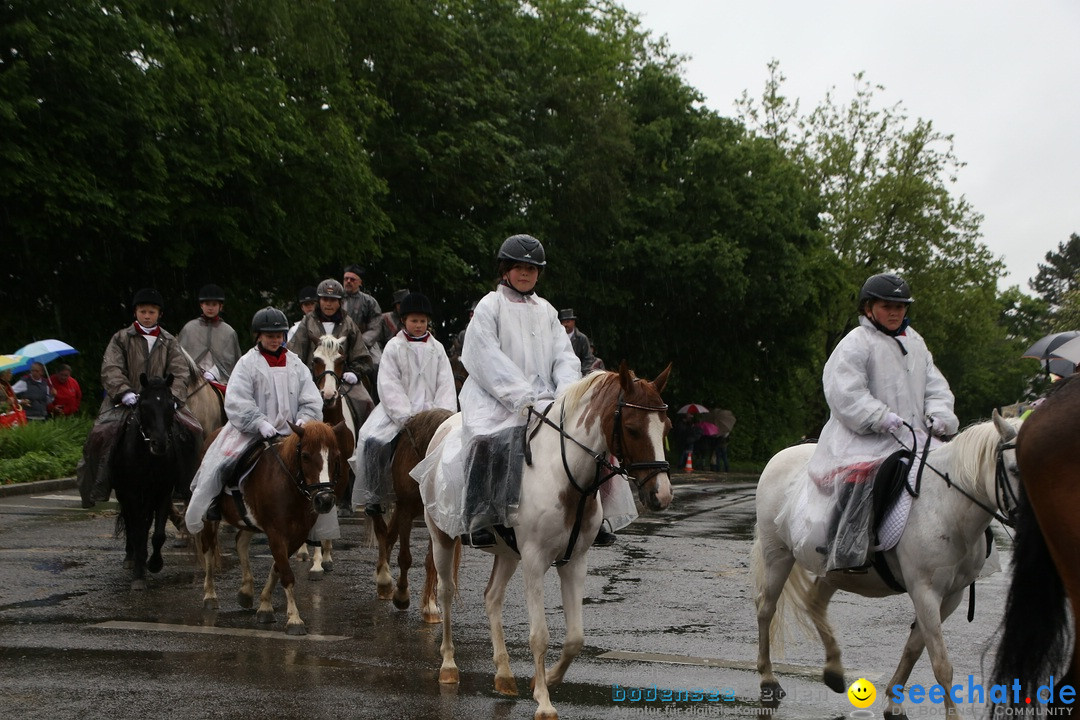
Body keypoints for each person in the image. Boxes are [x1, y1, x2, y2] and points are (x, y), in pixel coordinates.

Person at [425, 234, 629, 548]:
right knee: (485, 441)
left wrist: (566, 392)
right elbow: (485, 357)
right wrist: (520, 395)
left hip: (546, 397)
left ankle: (594, 516)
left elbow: (564, 356)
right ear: (505, 269)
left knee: (589, 440)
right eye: (519, 267)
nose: (525, 274)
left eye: (532, 269)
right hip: (495, 399)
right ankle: (479, 515)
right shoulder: (489, 306)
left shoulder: (547, 310)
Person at [806, 273, 958, 571]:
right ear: (868, 308)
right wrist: (878, 416)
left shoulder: (916, 343)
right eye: (887, 306)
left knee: (954, 470)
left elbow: (935, 386)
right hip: (863, 435)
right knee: (862, 475)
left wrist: (940, 415)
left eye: (900, 307)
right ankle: (843, 545)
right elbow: (845, 392)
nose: (894, 312)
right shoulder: (856, 343)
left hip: (913, 433)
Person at [185, 308, 323, 535]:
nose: (275, 340)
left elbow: (310, 397)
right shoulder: (247, 363)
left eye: (279, 336)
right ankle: (214, 503)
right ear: (258, 335)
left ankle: (315, 511)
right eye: (270, 336)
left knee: (318, 464)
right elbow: (237, 398)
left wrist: (305, 419)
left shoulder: (296, 364)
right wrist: (258, 422)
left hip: (291, 431)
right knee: (221, 462)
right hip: (253, 430)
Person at [77, 288, 196, 507]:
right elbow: (111, 367)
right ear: (136, 313)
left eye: (152, 311)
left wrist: (175, 396)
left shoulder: (169, 341)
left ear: (159, 314)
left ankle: (186, 486)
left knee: (193, 431)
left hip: (160, 402)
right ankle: (96, 487)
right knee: (99, 435)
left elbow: (181, 371)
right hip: (124, 401)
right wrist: (124, 392)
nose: (147, 315)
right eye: (143, 311)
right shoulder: (121, 338)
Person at [350, 292, 457, 516]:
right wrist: (405, 416)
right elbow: (389, 384)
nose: (418, 325)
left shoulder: (437, 349)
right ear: (404, 321)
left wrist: (441, 415)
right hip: (397, 411)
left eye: (422, 321)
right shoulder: (393, 347)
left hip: (432, 411)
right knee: (372, 441)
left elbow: (445, 383)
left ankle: (452, 493)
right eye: (414, 321)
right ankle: (374, 495)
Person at [288, 278, 376, 429]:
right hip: (311, 379)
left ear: (340, 302)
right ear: (319, 301)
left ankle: (364, 441)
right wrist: (304, 375)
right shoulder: (307, 322)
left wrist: (355, 372)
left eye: (333, 300)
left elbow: (362, 356)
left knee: (366, 403)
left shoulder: (348, 323)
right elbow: (293, 354)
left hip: (343, 379)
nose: (328, 304)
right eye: (325, 299)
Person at [178, 284, 241, 384]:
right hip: (192, 379)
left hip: (220, 380)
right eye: (207, 304)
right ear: (201, 305)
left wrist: (213, 374)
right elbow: (181, 357)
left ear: (221, 306)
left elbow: (230, 361)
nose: (210, 308)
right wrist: (196, 373)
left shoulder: (228, 331)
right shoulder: (189, 328)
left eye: (214, 304)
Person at [340, 264, 383, 352]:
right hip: (337, 342)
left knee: (376, 363)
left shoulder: (369, 301)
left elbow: (375, 327)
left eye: (352, 279)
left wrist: (359, 342)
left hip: (364, 344)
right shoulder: (335, 299)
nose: (348, 281)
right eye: (346, 279)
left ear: (360, 282)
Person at [558, 308, 598, 376]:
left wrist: (581, 373)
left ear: (573, 322)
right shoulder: (557, 338)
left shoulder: (582, 338)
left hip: (578, 374)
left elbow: (588, 359)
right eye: (563, 322)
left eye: (568, 322)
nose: (565, 325)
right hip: (560, 374)